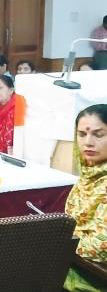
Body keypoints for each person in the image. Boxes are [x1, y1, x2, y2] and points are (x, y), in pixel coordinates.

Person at [64, 105, 107, 291]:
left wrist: (61, 241)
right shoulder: (88, 175)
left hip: (94, 275)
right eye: (82, 134)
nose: (88, 142)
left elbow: (102, 246)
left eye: (98, 134)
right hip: (76, 263)